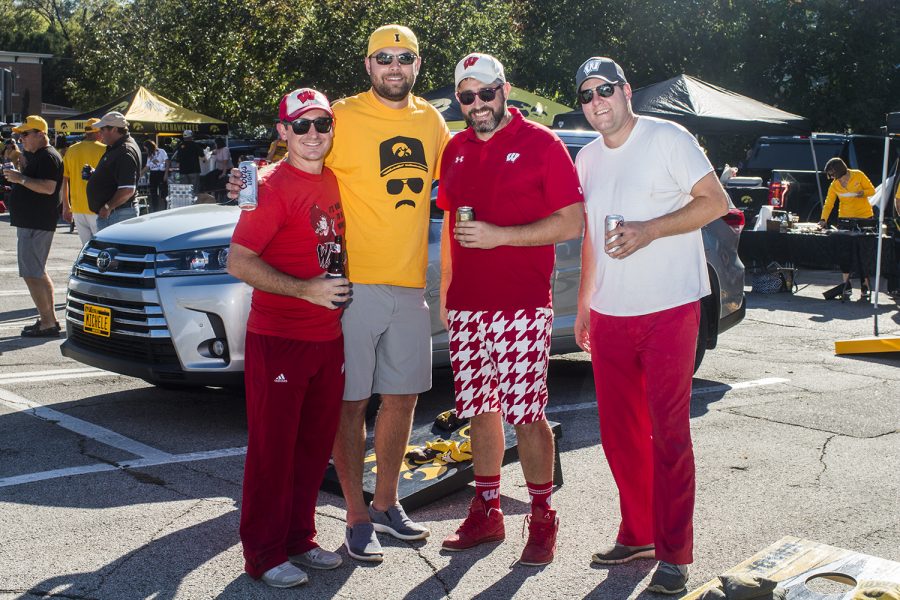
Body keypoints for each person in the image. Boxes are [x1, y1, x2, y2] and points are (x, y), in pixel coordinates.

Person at [228, 24, 450, 563]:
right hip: (348, 286)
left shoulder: (433, 119)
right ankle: (353, 518)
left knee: (403, 398)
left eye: (405, 57)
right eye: (383, 57)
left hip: (407, 281)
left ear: (417, 64)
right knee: (347, 406)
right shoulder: (342, 114)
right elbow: (291, 162)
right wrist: (247, 180)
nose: (394, 66)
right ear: (368, 65)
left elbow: (459, 176)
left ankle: (386, 503)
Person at [572, 57, 729, 595]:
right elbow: (591, 236)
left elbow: (716, 202)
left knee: (669, 434)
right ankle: (637, 533)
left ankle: (675, 553)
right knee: (619, 437)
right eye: (587, 95)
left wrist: (650, 230)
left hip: (669, 310)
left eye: (606, 90)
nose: (598, 102)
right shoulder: (588, 159)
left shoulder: (669, 137)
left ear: (626, 90)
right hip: (611, 315)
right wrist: (584, 304)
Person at [436, 53, 584, 566]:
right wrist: (447, 295)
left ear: (506, 91)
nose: (477, 105)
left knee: (527, 414)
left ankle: (542, 517)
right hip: (466, 307)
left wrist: (501, 237)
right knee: (478, 410)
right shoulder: (453, 149)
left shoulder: (543, 143)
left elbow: (570, 222)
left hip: (521, 306)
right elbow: (454, 231)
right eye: (466, 96)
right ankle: (488, 510)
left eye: (486, 93)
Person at [228, 87, 350, 589]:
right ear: (283, 132)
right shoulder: (270, 186)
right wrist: (306, 290)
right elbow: (238, 260)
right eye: (301, 125)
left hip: (328, 336)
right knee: (273, 450)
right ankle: (262, 552)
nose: (313, 134)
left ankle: (300, 538)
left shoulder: (334, 180)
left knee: (311, 447)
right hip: (279, 337)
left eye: (321, 124)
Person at [3, 115, 64, 337]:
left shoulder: (48, 156)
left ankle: (48, 322)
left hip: (36, 222)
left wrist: (21, 179)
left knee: (33, 273)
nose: (21, 138)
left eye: (26, 134)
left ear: (40, 134)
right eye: (20, 135)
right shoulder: (39, 155)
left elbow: (48, 188)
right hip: (32, 221)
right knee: (35, 272)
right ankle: (48, 320)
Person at [817, 157, 876, 299]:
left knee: (862, 253)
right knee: (845, 252)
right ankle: (846, 286)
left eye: (831, 173)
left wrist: (863, 193)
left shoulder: (858, 175)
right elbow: (829, 203)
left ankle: (865, 285)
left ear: (838, 170)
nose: (831, 176)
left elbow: (872, 190)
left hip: (864, 218)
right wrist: (823, 220)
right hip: (844, 219)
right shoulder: (834, 185)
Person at [86, 111, 142, 231]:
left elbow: (128, 189)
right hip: (116, 213)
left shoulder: (125, 150)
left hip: (117, 214)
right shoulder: (118, 147)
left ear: (114, 129)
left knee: (111, 249)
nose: (100, 133)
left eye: (102, 129)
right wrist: (96, 174)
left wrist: (108, 206)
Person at [61, 118, 106, 245]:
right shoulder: (105, 149)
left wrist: (66, 206)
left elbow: (65, 179)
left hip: (77, 207)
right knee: (102, 247)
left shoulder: (71, 150)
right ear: (98, 132)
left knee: (86, 247)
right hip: (98, 207)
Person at [141, 139, 169, 212]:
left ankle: (166, 209)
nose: (146, 150)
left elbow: (167, 162)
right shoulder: (149, 155)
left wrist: (166, 173)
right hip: (153, 174)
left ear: (149, 147)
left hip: (161, 173)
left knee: (164, 192)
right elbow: (147, 167)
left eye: (146, 148)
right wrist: (139, 174)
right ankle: (155, 210)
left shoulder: (161, 151)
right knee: (153, 193)